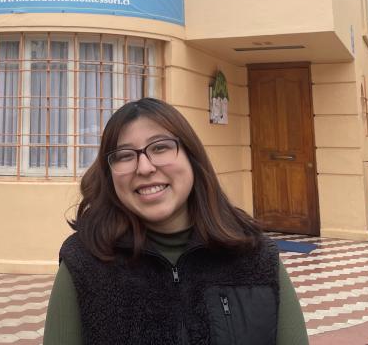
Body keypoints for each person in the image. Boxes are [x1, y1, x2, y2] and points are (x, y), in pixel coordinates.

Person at [43, 98, 308, 345]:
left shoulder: (256, 255)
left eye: (160, 148)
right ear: (110, 175)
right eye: (125, 155)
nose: (144, 167)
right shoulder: (83, 263)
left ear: (192, 158)